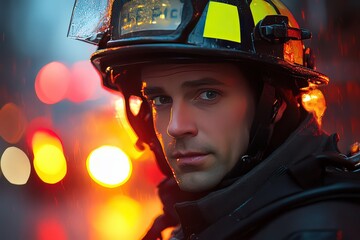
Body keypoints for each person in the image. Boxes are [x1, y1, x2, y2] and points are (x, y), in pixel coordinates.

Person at [68, 0, 360, 239]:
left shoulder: (320, 229)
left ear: (274, 102)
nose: (175, 127)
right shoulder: (199, 218)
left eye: (208, 94)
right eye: (160, 100)